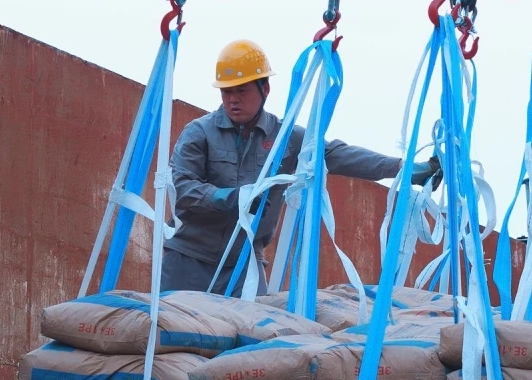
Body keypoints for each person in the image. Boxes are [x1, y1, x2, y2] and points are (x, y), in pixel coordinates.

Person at [161, 39, 441, 296]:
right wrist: (231, 197)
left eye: (242, 90)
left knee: (254, 331)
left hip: (244, 263)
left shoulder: (286, 138)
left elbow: (339, 155)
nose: (233, 99)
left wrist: (407, 169)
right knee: (169, 330)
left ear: (265, 89)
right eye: (227, 92)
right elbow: (183, 188)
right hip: (189, 259)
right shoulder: (199, 132)